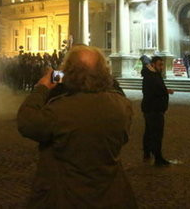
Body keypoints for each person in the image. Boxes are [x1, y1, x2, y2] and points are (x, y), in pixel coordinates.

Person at [17, 45, 137, 208]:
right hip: (111, 195)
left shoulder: (60, 110)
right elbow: (113, 89)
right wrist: (100, 76)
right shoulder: (122, 107)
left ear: (69, 73)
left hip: (67, 195)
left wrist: (43, 87)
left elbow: (27, 122)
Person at [141, 55, 174, 166]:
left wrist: (165, 91)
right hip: (154, 109)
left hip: (151, 108)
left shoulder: (153, 74)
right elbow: (154, 91)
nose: (162, 67)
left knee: (149, 132)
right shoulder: (151, 76)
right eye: (160, 65)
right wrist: (165, 92)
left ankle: (147, 153)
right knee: (157, 134)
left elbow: (156, 88)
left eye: (162, 65)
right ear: (153, 64)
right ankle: (158, 158)